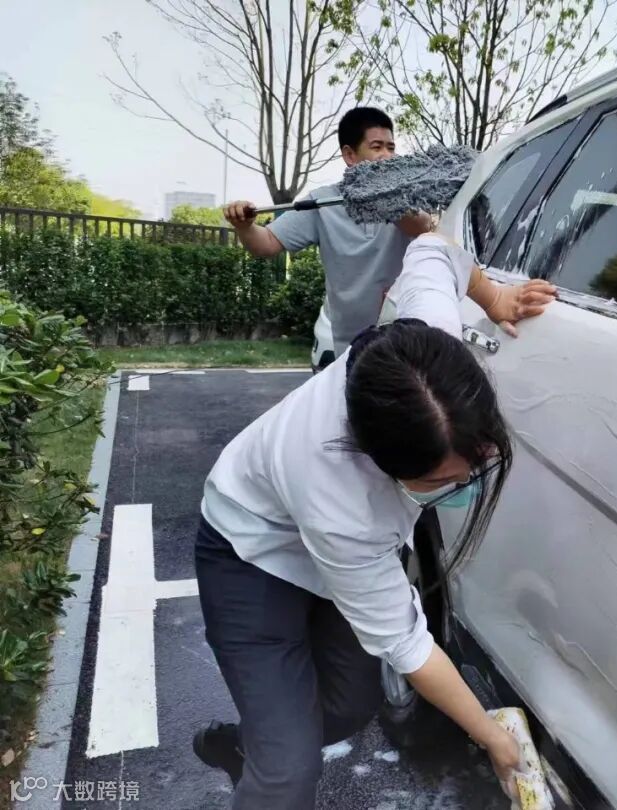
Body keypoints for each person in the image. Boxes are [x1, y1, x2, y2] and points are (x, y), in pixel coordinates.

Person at [192, 232, 558, 809]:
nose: (464, 484)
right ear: (380, 462)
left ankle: (249, 744)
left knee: (347, 707)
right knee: (288, 773)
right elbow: (407, 643)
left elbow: (434, 248)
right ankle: (267, 758)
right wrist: (491, 737)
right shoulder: (341, 500)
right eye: (441, 480)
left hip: (334, 546)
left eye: (475, 463)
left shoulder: (429, 351)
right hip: (253, 551)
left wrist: (494, 299)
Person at [223, 107, 432, 356]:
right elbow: (265, 244)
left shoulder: (409, 196)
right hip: (352, 347)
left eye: (391, 148)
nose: (387, 156)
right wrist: (244, 226)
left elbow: (423, 227)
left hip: (408, 341)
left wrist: (388, 197)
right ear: (350, 155)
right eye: (377, 147)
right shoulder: (322, 203)